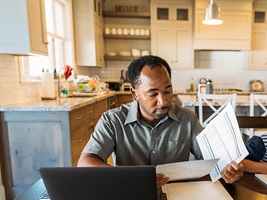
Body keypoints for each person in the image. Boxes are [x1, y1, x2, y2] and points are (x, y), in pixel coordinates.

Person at [78, 55, 244, 188]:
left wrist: (227, 169)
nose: (163, 102)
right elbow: (85, 163)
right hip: (133, 193)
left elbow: (212, 158)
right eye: (153, 94)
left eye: (168, 91)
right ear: (134, 94)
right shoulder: (113, 120)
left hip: (177, 194)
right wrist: (133, 179)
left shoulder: (187, 119)